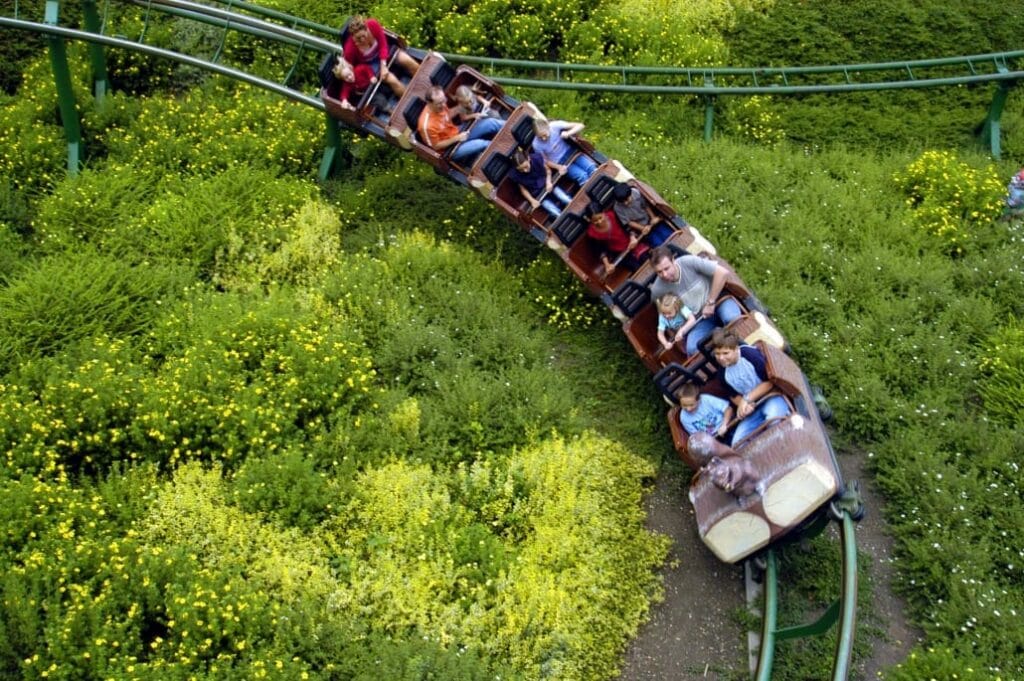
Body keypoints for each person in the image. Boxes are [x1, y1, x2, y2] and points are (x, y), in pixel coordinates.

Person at [648, 245, 743, 355]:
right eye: (659, 272)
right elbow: (668, 317)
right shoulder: (657, 290)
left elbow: (722, 273)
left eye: (667, 268)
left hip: (718, 302)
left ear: (673, 260)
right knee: (692, 349)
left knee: (732, 318)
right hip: (699, 320)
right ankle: (721, 359)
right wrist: (680, 330)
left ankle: (743, 349)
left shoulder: (688, 262)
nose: (664, 274)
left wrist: (710, 302)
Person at [708, 330, 791, 446]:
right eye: (717, 354)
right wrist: (743, 406)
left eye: (725, 353)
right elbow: (733, 396)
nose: (721, 358)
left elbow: (770, 382)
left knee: (774, 420)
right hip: (753, 408)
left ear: (736, 349)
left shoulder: (749, 355)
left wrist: (747, 399)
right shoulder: (722, 373)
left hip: (771, 396)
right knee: (737, 443)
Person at [417, 86, 503, 166]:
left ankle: (513, 127)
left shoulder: (441, 105)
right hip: (450, 149)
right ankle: (504, 151)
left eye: (444, 100)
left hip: (458, 132)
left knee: (491, 123)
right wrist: (456, 138)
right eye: (439, 103)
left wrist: (463, 107)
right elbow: (436, 146)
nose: (443, 105)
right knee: (482, 143)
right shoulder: (426, 126)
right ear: (429, 103)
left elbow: (448, 115)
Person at [343, 16, 419, 98]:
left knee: (407, 60)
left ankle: (423, 83)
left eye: (363, 36)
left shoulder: (372, 24)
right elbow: (351, 67)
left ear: (366, 29)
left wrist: (383, 64)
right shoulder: (350, 49)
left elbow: (383, 44)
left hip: (383, 50)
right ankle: (410, 100)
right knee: (392, 80)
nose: (362, 40)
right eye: (358, 39)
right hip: (371, 63)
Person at [687, 432, 763, 502]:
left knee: (748, 471)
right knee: (735, 489)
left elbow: (730, 458)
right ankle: (741, 495)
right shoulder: (709, 467)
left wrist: (731, 480)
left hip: (731, 466)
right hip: (721, 469)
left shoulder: (717, 452)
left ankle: (757, 484)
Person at [506, 149, 571, 219]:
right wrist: (532, 201)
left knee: (564, 198)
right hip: (539, 195)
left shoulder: (536, 158)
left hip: (548, 185)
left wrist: (548, 182)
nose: (525, 171)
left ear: (528, 159)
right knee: (553, 211)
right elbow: (523, 189)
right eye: (521, 169)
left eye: (526, 167)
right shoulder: (514, 174)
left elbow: (548, 170)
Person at [532, 118, 597, 188]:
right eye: (540, 137)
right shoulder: (536, 144)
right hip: (560, 162)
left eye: (545, 135)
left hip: (571, 153)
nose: (543, 138)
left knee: (591, 168)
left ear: (548, 127)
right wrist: (558, 167)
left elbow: (580, 125)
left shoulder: (554, 126)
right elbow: (545, 161)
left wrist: (568, 133)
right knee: (582, 176)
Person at [585, 204, 646, 275]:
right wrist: (607, 265)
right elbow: (600, 250)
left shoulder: (612, 215)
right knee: (636, 268)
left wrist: (632, 237)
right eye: (595, 221)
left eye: (600, 218)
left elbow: (626, 226)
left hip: (632, 242)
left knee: (645, 258)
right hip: (620, 253)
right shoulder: (592, 233)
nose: (599, 222)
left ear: (603, 213)